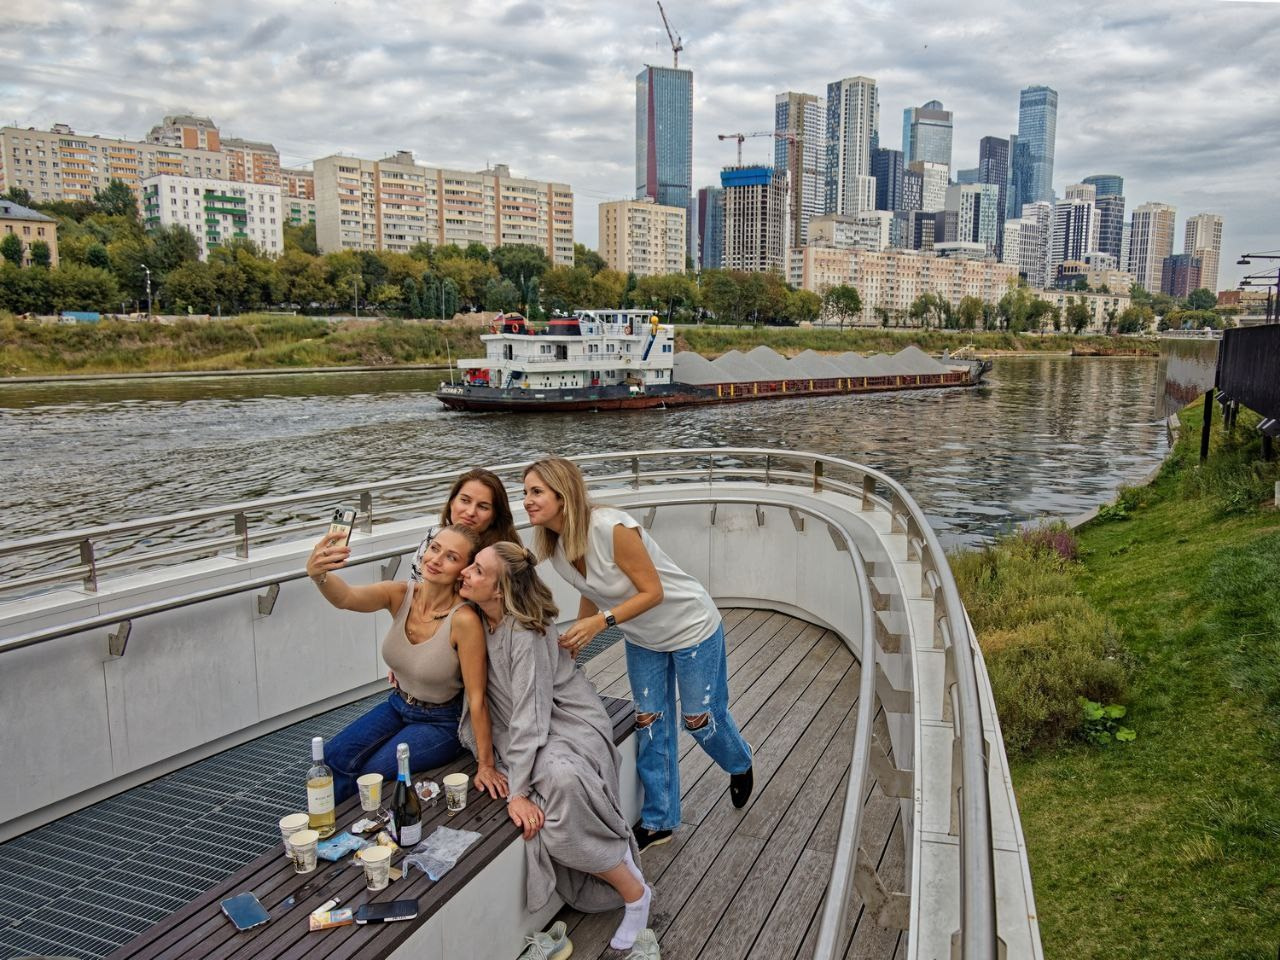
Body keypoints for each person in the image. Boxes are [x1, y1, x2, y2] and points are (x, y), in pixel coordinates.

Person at [522, 457, 753, 853]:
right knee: (650, 723)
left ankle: (740, 761)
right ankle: (660, 819)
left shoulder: (611, 528)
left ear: (564, 494)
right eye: (525, 492)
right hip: (643, 637)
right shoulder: (556, 547)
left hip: (690, 627)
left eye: (535, 492)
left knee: (700, 720)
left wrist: (600, 623)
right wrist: (578, 640)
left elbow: (653, 592)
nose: (526, 501)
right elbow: (589, 588)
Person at [458, 542, 653, 953]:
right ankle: (617, 857)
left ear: (499, 590)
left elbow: (531, 716)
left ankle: (635, 895)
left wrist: (518, 793)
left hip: (564, 720)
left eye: (477, 570)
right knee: (558, 780)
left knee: (565, 781)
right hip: (520, 727)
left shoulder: (523, 632)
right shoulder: (476, 616)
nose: (465, 572)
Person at [306, 523, 506, 804]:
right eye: (434, 548)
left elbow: (477, 698)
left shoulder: (464, 621)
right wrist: (320, 576)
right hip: (398, 705)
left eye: (451, 557)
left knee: (372, 773)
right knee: (334, 756)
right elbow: (347, 598)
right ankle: (328, 830)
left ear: (464, 570)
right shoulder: (400, 594)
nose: (435, 560)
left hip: (441, 722)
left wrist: (486, 765)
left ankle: (358, 831)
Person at [409, 468, 521, 582]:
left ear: (494, 517)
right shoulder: (434, 534)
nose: (471, 512)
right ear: (452, 502)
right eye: (465, 500)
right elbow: (415, 582)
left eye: (483, 507)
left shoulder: (500, 559)